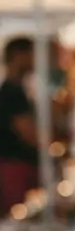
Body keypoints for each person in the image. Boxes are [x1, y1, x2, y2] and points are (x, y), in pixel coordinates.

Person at [0, 37, 38, 215]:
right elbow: (29, 133)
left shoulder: (17, 90)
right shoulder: (12, 92)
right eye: (31, 54)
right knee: (17, 214)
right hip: (15, 167)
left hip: (16, 166)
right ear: (18, 55)